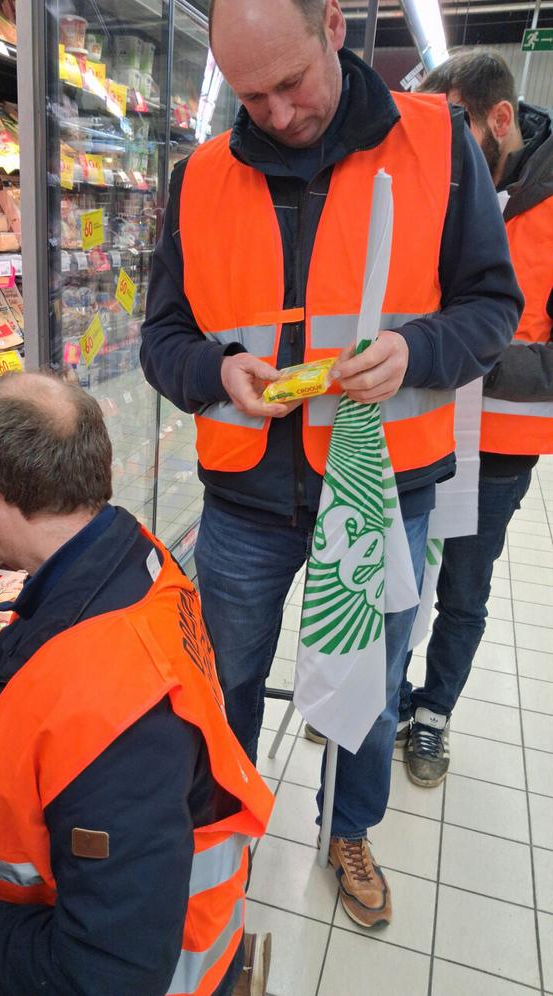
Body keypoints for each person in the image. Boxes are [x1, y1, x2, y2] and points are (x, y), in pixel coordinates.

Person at [140, 0, 523, 928]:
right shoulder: (199, 177)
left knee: (373, 679)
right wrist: (215, 369)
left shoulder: (435, 141)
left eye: (290, 82)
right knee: (226, 673)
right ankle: (217, 823)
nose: (273, 112)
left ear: (334, 28)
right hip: (245, 494)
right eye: (249, 93)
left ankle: (347, 828)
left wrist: (416, 351)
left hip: (384, 484)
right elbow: (162, 337)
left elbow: (490, 304)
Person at [0, 373, 273, 996]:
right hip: (105, 905)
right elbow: (51, 675)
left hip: (159, 973)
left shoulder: (115, 725)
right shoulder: (130, 558)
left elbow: (110, 974)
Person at [398, 50, 553, 787]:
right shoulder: (440, 180)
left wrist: (473, 353)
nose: (444, 146)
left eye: (455, 126)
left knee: (463, 585)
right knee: (397, 576)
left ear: (499, 119)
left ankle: (432, 714)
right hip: (418, 426)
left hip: (498, 444)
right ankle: (388, 699)